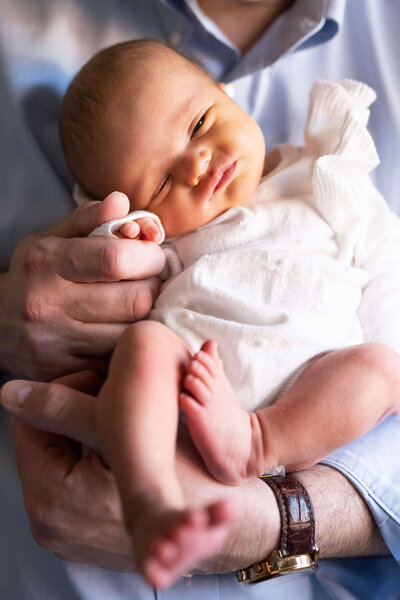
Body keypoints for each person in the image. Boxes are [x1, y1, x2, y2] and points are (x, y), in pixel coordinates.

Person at [0, 1, 400, 598]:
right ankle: (149, 495)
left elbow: (383, 259)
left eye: (198, 126)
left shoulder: (320, 177)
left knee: (381, 369)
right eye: (161, 183)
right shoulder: (171, 238)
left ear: (223, 95)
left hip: (307, 386)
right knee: (144, 345)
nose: (198, 164)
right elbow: (117, 256)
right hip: (192, 374)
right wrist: (118, 232)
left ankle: (259, 439)